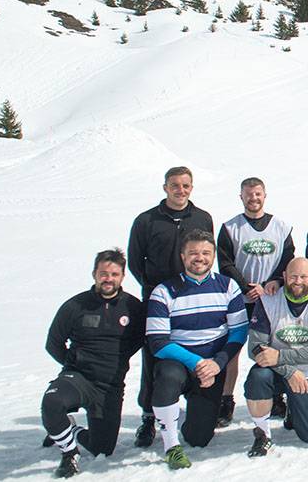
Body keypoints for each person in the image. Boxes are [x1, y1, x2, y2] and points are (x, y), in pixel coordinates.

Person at [127, 166, 214, 448]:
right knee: (155, 357)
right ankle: (149, 416)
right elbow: (134, 259)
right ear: (165, 187)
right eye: (175, 185)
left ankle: (195, 406)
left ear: (192, 187)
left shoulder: (202, 217)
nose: (181, 190)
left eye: (186, 185)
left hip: (194, 296)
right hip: (158, 298)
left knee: (198, 347)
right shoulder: (147, 220)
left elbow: (206, 253)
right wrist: (155, 288)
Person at [146, 230, 248, 469]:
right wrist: (197, 362)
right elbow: (158, 342)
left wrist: (217, 363)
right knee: (168, 377)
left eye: (205, 253)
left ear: (213, 256)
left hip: (213, 366)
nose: (199, 258)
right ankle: (171, 445)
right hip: (179, 362)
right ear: (183, 256)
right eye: (193, 253)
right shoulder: (164, 291)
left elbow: (238, 332)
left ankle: (179, 418)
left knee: (199, 438)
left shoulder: (227, 286)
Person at [41, 249, 146, 478]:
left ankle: (70, 428)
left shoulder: (133, 307)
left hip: (109, 386)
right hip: (78, 378)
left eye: (114, 274)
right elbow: (54, 343)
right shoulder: (75, 305)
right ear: (94, 274)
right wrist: (74, 364)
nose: (108, 279)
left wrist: (117, 360)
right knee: (51, 402)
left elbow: (139, 339)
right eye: (103, 273)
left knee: (102, 449)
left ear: (122, 277)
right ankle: (69, 453)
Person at [216, 177, 295, 427]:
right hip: (241, 298)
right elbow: (225, 262)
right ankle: (226, 400)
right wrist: (245, 286)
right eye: (249, 194)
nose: (254, 198)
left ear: (265, 195)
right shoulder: (231, 227)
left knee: (275, 345)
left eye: (258, 194)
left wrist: (273, 281)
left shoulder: (281, 226)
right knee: (233, 349)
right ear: (241, 197)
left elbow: (288, 259)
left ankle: (276, 395)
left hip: (271, 297)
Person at [243, 258, 308, 456]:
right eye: (293, 276)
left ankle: (293, 410)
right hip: (275, 371)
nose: (298, 281)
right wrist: (288, 371)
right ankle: (262, 434)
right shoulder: (268, 300)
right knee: (257, 377)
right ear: (284, 277)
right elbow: (255, 347)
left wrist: (279, 355)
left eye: (303, 276)